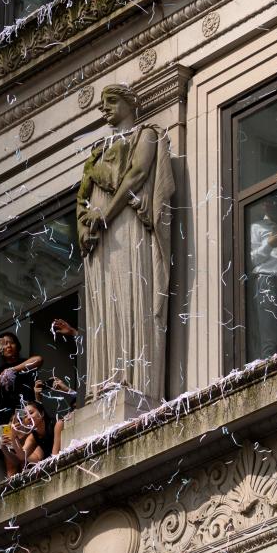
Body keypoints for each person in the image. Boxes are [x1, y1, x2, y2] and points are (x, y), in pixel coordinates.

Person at [76, 84, 174, 403]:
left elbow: (136, 175)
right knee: (107, 300)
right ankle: (108, 379)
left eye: (112, 102)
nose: (104, 109)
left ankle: (135, 378)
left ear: (131, 103)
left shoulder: (145, 135)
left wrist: (106, 211)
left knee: (132, 292)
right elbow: (83, 196)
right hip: (103, 234)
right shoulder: (97, 151)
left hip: (127, 225)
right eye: (102, 104)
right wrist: (87, 224)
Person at [249, 199, 277, 358]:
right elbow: (252, 259)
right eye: (267, 203)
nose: (271, 206)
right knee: (268, 329)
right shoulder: (257, 227)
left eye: (274, 202)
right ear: (264, 206)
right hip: (267, 280)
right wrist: (269, 244)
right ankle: (267, 365)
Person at [0, 332, 42, 425]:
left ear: (17, 346)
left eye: (12, 342)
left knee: (23, 433)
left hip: (26, 411)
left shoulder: (25, 363)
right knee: (7, 437)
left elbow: (39, 359)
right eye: (4, 343)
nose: (9, 346)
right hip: (6, 416)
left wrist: (13, 369)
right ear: (0, 349)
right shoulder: (0, 370)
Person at [0, 402, 54, 477]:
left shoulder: (56, 425)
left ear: (42, 413)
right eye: (25, 416)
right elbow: (22, 456)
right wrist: (13, 437)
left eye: (31, 413)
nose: (28, 417)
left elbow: (55, 456)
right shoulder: (33, 436)